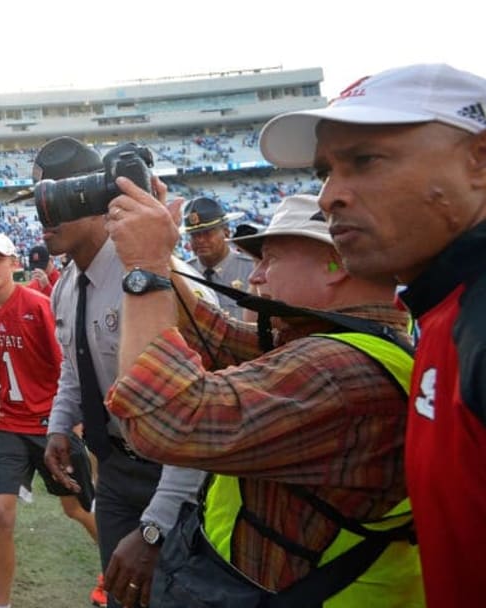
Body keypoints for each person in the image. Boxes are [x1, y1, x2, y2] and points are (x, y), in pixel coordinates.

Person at [102, 190, 423, 607]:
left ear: (336, 264)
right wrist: (157, 254)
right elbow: (214, 334)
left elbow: (163, 420)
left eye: (270, 259)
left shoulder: (337, 370)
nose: (256, 277)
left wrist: (145, 270)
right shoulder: (340, 343)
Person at [258, 63, 486, 608]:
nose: (329, 197)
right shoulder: (441, 306)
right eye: (325, 171)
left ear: (478, 160)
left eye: (364, 160)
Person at [34, 137, 212, 608]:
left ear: (95, 197)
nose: (42, 214)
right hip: (113, 469)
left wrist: (157, 524)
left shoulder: (154, 275)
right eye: (36, 196)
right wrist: (57, 428)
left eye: (54, 198)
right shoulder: (66, 286)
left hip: (174, 474)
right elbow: (75, 369)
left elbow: (195, 410)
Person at [0, 233, 98, 608]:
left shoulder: (39, 306)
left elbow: (67, 366)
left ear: (14, 264)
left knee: (76, 508)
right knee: (0, 512)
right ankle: (0, 604)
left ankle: (116, 572)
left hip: (49, 424)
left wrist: (70, 423)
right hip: (8, 425)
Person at [181, 197, 254, 320]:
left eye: (208, 233)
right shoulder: (184, 274)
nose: (200, 240)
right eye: (194, 235)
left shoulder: (251, 269)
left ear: (226, 232)